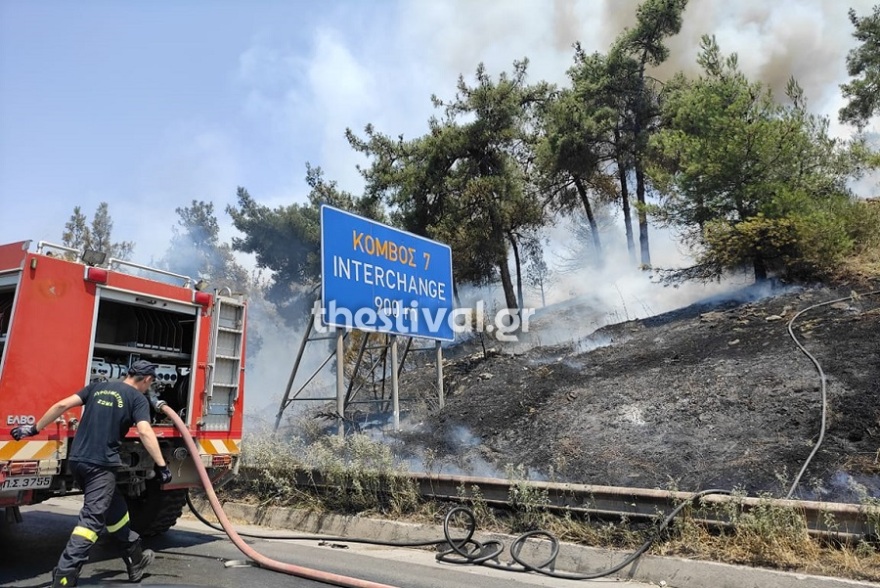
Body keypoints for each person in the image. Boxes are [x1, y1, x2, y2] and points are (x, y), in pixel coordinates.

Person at [11, 359, 173, 587]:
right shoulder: (137, 398)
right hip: (101, 466)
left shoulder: (98, 387)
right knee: (92, 520)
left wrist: (34, 428)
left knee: (116, 510)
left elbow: (61, 406)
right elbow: (145, 432)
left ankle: (135, 559)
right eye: (150, 383)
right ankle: (65, 576)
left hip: (78, 461)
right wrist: (162, 466)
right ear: (146, 379)